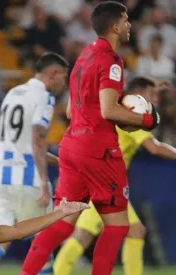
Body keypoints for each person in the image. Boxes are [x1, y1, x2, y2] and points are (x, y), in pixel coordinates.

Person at [20, 2, 160, 275]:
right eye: (126, 20)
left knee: (62, 223)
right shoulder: (112, 60)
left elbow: (73, 111)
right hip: (99, 150)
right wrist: (145, 120)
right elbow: (108, 109)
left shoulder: (83, 57)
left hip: (72, 145)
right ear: (115, 26)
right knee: (118, 226)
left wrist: (120, 118)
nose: (130, 25)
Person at [54, 77, 176, 275]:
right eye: (151, 95)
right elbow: (155, 148)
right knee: (84, 235)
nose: (154, 100)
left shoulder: (119, 107)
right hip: (105, 184)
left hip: (103, 181)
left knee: (135, 231)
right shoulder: (132, 114)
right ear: (140, 94)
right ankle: (58, 272)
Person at [0, 52, 69, 275]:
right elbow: (36, 139)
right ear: (52, 73)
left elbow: (19, 143)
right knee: (43, 245)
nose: (63, 82)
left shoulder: (12, 93)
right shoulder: (44, 96)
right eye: (63, 76)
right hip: (30, 180)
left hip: (2, 180)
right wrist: (45, 181)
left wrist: (58, 161)